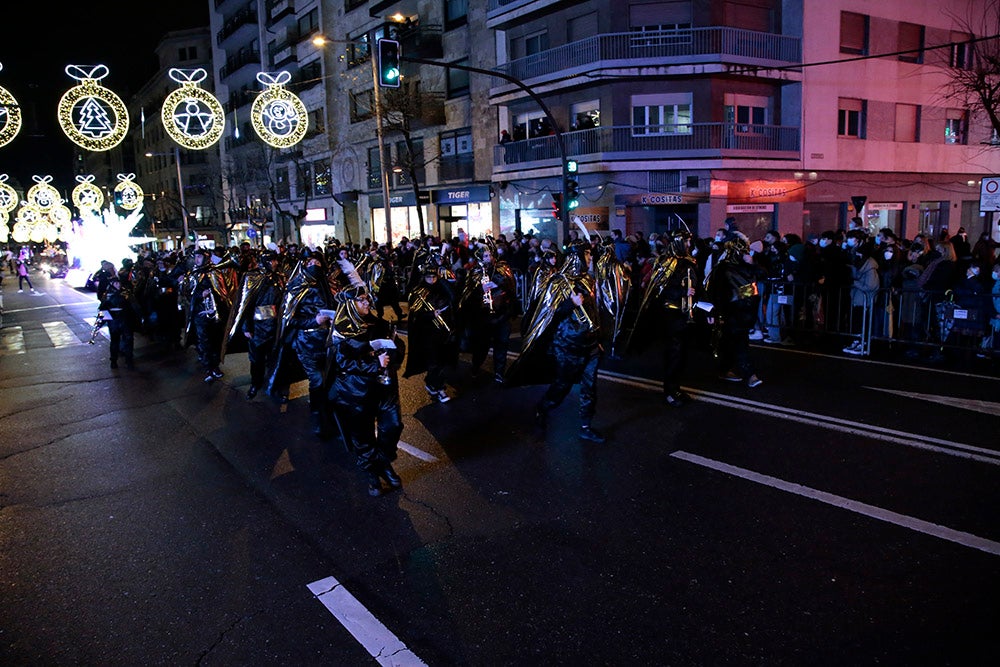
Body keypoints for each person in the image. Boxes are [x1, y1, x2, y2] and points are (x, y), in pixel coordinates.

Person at [512, 243, 605, 442]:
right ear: (575, 257)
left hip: (590, 344)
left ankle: (585, 426)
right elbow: (550, 315)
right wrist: (570, 304)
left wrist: (597, 339)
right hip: (568, 345)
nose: (590, 258)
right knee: (562, 386)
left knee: (590, 387)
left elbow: (594, 312)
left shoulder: (587, 279)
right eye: (586, 254)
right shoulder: (558, 282)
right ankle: (542, 408)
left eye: (589, 253)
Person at [323, 287, 406, 497]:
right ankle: (373, 473)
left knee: (393, 425)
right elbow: (343, 362)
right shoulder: (341, 330)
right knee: (363, 437)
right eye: (361, 300)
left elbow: (397, 348)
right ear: (350, 305)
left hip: (384, 389)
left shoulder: (378, 323)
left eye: (367, 298)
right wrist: (373, 363)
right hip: (356, 392)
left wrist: (394, 349)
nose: (367, 302)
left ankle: (383, 463)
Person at [627, 232, 698, 406]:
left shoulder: (689, 262)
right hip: (671, 316)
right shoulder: (668, 263)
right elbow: (660, 288)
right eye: (686, 241)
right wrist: (682, 292)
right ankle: (670, 390)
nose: (689, 244)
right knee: (673, 354)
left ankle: (676, 388)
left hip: (684, 314)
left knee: (682, 355)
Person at [706, 236, 764, 388]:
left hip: (744, 312)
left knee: (732, 343)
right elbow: (716, 292)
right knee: (739, 344)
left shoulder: (746, 267)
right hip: (729, 312)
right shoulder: (723, 269)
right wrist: (712, 311)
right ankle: (750, 374)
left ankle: (725, 369)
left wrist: (753, 262)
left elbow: (755, 283)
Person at [231, 252, 286, 400]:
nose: (275, 263)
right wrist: (247, 327)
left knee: (275, 359)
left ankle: (275, 387)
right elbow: (245, 304)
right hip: (258, 326)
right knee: (257, 359)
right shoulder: (253, 278)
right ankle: (255, 384)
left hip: (276, 325)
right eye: (272, 260)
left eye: (275, 260)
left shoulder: (280, 277)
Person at [461, 244, 517, 383]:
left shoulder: (501, 268)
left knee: (502, 344)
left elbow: (510, 282)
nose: (489, 258)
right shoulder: (475, 271)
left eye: (490, 255)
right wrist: (480, 288)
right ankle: (475, 366)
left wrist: (497, 283)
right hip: (483, 315)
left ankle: (499, 372)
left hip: (502, 312)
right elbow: (467, 292)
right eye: (485, 256)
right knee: (481, 345)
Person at [403, 264, 458, 403]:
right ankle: (438, 388)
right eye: (429, 277)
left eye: (434, 277)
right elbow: (415, 314)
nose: (432, 280)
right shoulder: (418, 291)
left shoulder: (442, 288)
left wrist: (443, 280)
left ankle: (431, 382)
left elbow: (453, 297)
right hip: (427, 332)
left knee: (443, 359)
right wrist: (430, 314)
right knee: (435, 361)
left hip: (443, 330)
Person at [100, 275, 138, 369]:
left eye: (118, 283)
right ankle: (113, 360)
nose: (118, 285)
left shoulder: (126, 293)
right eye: (115, 283)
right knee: (115, 341)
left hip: (125, 319)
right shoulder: (108, 294)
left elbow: (134, 305)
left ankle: (129, 360)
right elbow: (103, 308)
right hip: (115, 321)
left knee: (128, 340)